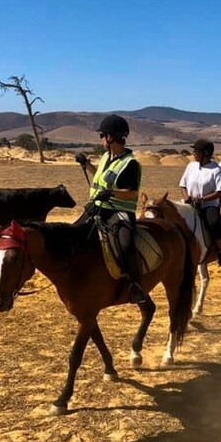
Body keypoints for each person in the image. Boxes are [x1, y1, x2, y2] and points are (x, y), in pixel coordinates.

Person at [74, 114, 145, 303]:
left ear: (112, 137)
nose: (101, 139)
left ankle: (135, 284)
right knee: (73, 233)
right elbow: (99, 175)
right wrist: (85, 163)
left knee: (126, 244)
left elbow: (132, 193)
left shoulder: (130, 164)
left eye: (103, 135)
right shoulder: (106, 156)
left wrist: (112, 194)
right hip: (97, 208)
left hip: (120, 212)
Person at [179, 139, 221, 265]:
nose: (193, 153)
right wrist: (186, 197)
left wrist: (202, 199)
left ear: (205, 153)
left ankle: (220, 250)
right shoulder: (191, 166)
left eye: (196, 151)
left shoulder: (216, 170)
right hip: (189, 203)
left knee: (213, 223)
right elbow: (182, 185)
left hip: (208, 205)